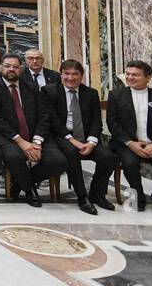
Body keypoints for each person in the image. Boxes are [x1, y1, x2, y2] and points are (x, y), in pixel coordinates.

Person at [0, 54, 64, 208]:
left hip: (34, 135)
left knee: (59, 161)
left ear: (21, 69)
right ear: (0, 68)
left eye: (15, 66)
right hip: (7, 136)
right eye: (7, 66)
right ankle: (29, 190)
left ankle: (20, 183)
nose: (11, 69)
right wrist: (21, 141)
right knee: (15, 157)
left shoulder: (32, 87)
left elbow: (44, 115)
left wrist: (37, 141)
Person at [42, 59, 114, 215]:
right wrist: (71, 139)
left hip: (86, 138)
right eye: (66, 74)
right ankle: (82, 197)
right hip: (61, 135)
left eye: (75, 74)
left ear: (82, 76)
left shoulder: (91, 93)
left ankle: (97, 193)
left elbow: (96, 121)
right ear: (60, 75)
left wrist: (92, 142)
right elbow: (52, 120)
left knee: (108, 157)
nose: (70, 77)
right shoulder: (49, 91)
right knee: (72, 153)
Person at [107, 60, 152, 212]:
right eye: (128, 74)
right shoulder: (116, 96)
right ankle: (138, 196)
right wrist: (130, 143)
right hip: (127, 144)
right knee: (130, 164)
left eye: (136, 75)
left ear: (148, 77)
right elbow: (113, 124)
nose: (130, 77)